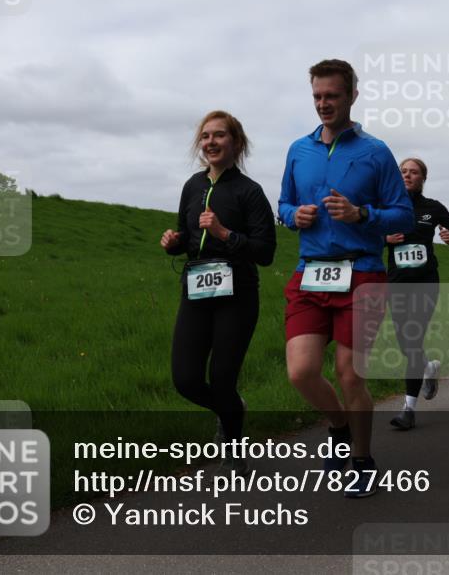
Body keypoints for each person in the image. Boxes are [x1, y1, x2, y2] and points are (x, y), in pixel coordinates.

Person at [278, 59, 414, 497]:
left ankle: (362, 459)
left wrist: (362, 214)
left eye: (332, 96)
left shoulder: (375, 152)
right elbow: (283, 204)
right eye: (317, 96)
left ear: (352, 95)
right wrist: (293, 216)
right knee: (301, 371)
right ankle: (339, 426)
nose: (323, 104)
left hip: (363, 274)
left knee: (350, 374)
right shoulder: (298, 150)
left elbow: (404, 215)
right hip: (311, 273)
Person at [161, 110, 277, 474]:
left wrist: (225, 234)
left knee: (223, 378)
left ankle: (235, 449)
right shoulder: (192, 186)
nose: (211, 142)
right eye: (206, 136)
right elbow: (187, 236)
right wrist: (174, 242)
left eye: (219, 135)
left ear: (236, 143)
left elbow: (266, 253)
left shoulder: (250, 192)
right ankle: (232, 409)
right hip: (197, 292)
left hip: (237, 295)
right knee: (186, 380)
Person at [385, 157, 449, 430]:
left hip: (426, 282)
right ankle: (429, 367)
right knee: (406, 343)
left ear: (423, 178)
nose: (407, 175)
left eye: (414, 172)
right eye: (403, 171)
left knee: (413, 337)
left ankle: (408, 409)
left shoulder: (432, 207)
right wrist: (384, 239)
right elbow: (365, 233)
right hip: (397, 283)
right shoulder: (387, 206)